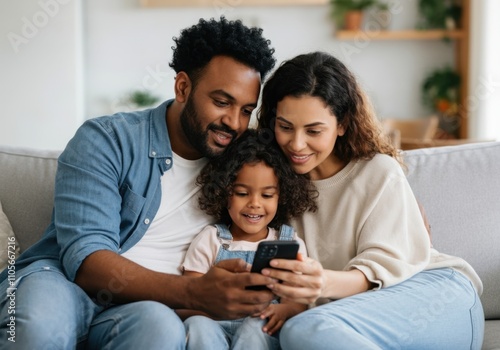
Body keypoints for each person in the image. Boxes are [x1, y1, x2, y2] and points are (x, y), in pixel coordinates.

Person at [0, 17, 276, 349]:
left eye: (246, 110)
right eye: (221, 102)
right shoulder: (107, 139)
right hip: (64, 283)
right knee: (39, 326)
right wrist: (194, 292)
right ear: (183, 87)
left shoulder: (240, 162)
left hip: (144, 310)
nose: (233, 122)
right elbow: (86, 259)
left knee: (160, 328)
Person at [257, 51, 485, 349]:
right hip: (351, 316)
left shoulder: (377, 171)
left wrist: (320, 283)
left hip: (435, 293)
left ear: (342, 124)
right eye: (285, 127)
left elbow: (375, 272)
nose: (296, 143)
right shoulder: (269, 184)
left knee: (305, 329)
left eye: (314, 130)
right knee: (300, 332)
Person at [178, 129, 316, 349]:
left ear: (282, 196)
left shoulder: (289, 244)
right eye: (242, 193)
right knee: (196, 324)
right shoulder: (211, 239)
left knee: (255, 325)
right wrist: (213, 308)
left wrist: (285, 310)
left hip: (260, 333)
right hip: (215, 325)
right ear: (224, 193)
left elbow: (297, 297)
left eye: (267, 195)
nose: (255, 203)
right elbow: (187, 298)